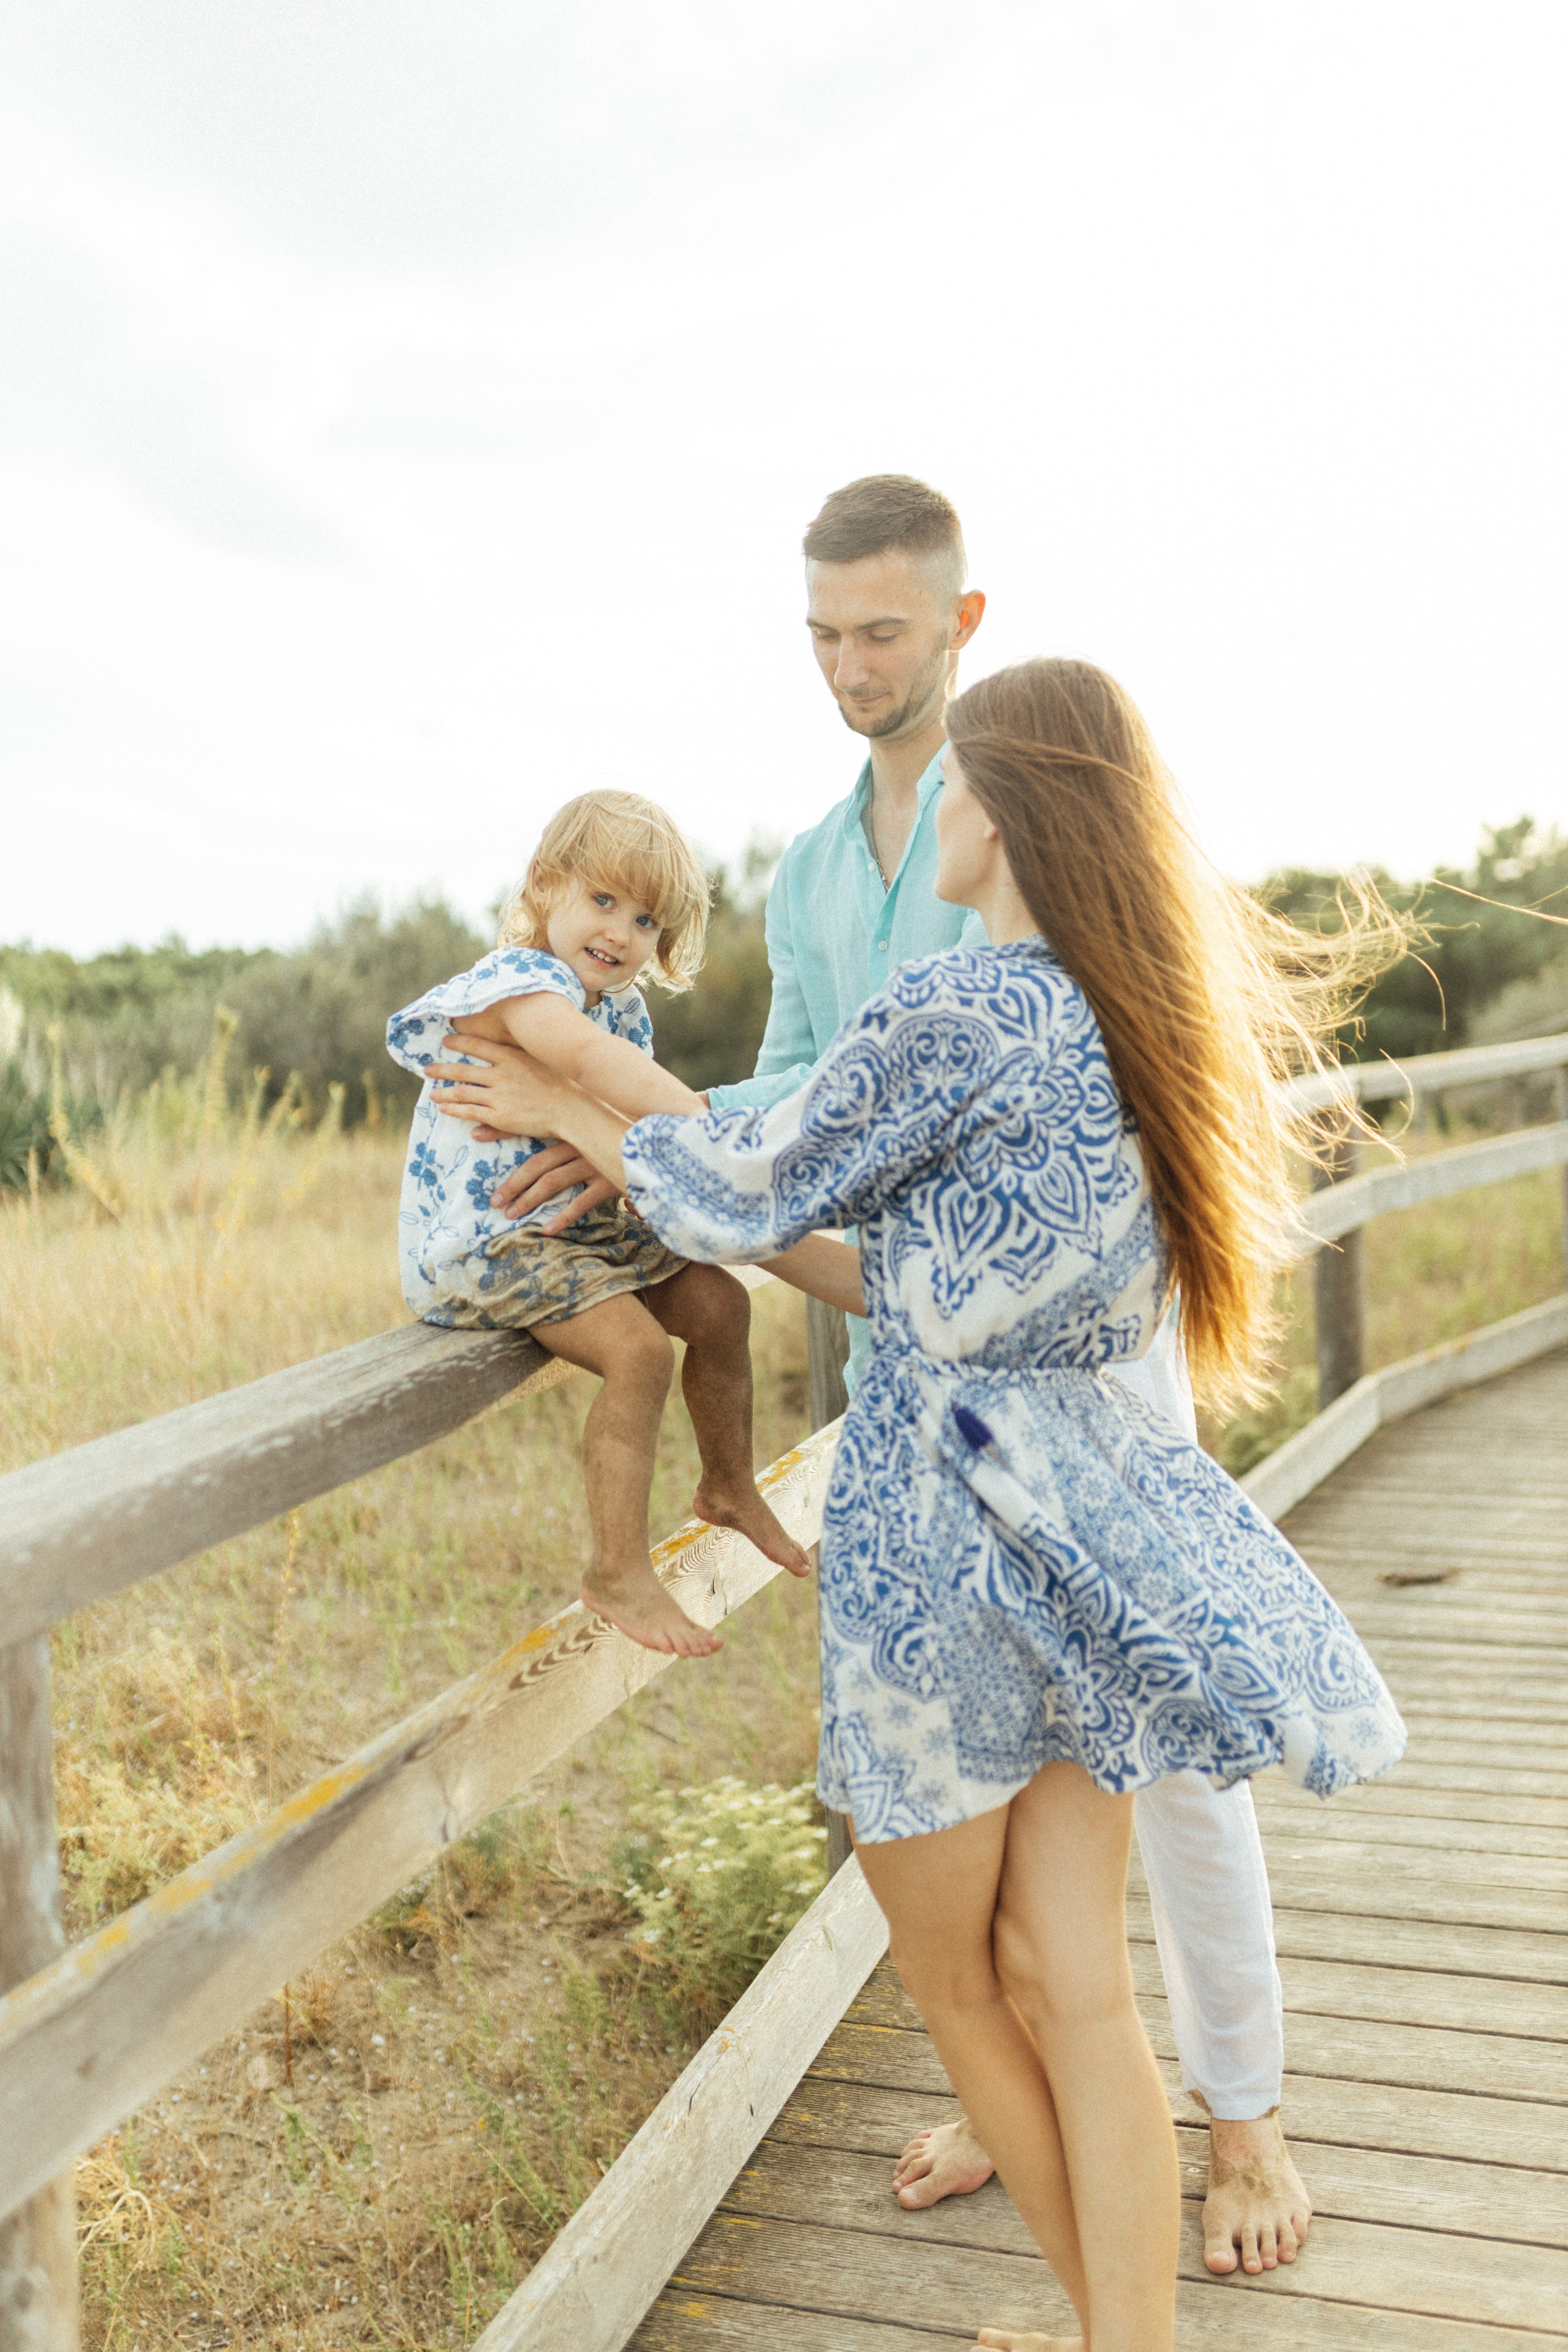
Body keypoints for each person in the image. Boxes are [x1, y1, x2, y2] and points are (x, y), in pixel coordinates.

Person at [426, 655, 1406, 2351]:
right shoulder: (1142, 1014)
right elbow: (907, 1276)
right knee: (1079, 1990)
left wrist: (568, 1101)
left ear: (1009, 808)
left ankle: (1117, 2332)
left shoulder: (962, 1007)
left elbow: (744, 1175)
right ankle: (1128, 2342)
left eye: (954, 780)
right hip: (1083, 1526)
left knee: (963, 1986)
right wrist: (627, 1147)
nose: (930, 805)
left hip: (942, 1550)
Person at [384, 788, 809, 1660]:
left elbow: (615, 1126)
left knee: (723, 1304)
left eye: (648, 920)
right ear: (546, 886)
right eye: (603, 901)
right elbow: (586, 1065)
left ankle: (727, 1482)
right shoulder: (519, 984)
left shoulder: (617, 1003)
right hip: (490, 1240)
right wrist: (700, 1120)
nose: (622, 933)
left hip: (574, 1227)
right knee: (641, 1353)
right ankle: (616, 1567)